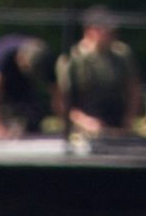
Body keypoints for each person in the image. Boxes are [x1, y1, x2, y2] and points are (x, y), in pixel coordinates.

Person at [56, 8, 141, 137]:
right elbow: (61, 102)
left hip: (118, 127)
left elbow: (133, 90)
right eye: (106, 30)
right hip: (83, 130)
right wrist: (84, 122)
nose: (112, 34)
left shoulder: (122, 55)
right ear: (90, 30)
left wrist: (128, 120)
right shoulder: (71, 59)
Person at [0, 33, 53, 138]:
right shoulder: (1, 57)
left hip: (14, 77)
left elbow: (57, 93)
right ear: (21, 58)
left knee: (32, 115)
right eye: (26, 67)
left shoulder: (43, 57)